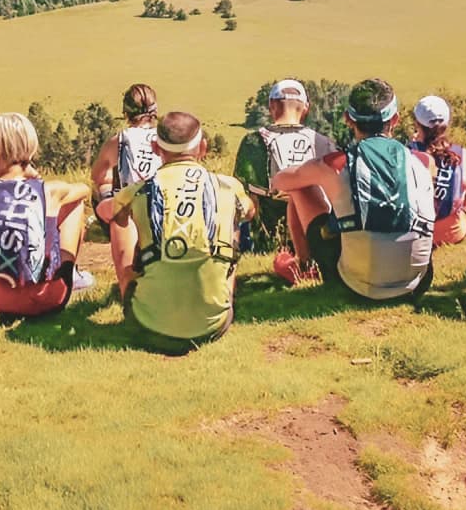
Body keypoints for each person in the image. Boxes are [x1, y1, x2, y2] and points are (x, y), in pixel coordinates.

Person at [99, 111, 254, 352]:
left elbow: (106, 213)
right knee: (232, 218)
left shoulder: (139, 190)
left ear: (155, 147)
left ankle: (127, 288)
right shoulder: (228, 186)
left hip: (148, 326)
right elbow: (250, 212)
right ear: (202, 147)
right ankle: (222, 296)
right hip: (214, 325)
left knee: (120, 219)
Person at [271, 78, 436, 301]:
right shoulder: (423, 162)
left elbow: (281, 181)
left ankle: (303, 265)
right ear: (395, 120)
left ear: (348, 119)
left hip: (356, 287)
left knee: (300, 189)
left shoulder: (335, 164)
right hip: (418, 282)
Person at [0, 113, 91, 316]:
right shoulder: (52, 191)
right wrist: (34, 175)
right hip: (49, 299)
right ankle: (70, 273)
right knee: (75, 203)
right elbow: (85, 188)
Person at [233, 78, 339, 283]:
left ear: (272, 106)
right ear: (305, 109)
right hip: (317, 232)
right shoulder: (323, 142)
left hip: (266, 240)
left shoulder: (253, 142)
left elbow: (245, 198)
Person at [89, 84, 160, 282]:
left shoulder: (119, 140)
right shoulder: (166, 137)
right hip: (164, 207)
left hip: (131, 211)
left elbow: (97, 175)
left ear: (125, 112)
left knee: (104, 189)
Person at [408, 95, 466, 247]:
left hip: (414, 233)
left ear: (416, 123)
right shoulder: (464, 156)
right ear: (447, 124)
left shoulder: (406, 156)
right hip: (452, 233)